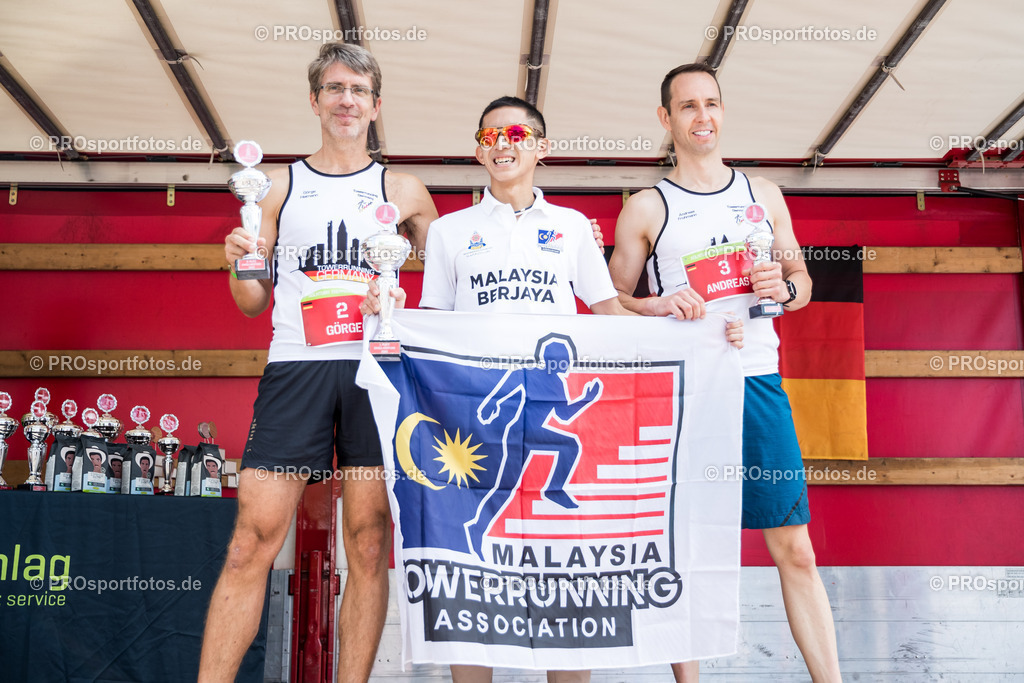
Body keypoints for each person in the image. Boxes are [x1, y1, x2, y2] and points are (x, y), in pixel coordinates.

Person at [361, 95, 743, 683]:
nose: (503, 144)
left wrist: (674, 319)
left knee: (566, 577)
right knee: (476, 586)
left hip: (550, 415)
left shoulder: (569, 229)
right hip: (475, 427)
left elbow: (607, 313)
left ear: (541, 146)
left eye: (516, 134)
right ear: (479, 149)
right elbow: (435, 331)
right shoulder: (448, 233)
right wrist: (387, 316)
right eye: (489, 136)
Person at [199, 42, 438, 683]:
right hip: (297, 370)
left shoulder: (406, 190)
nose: (346, 101)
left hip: (375, 372)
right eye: (334, 89)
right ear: (315, 100)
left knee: (366, 543)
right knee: (252, 541)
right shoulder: (276, 188)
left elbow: (441, 285)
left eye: (358, 91)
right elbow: (252, 302)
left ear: (376, 105)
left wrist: (398, 295)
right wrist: (238, 263)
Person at [607, 63, 841, 682]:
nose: (702, 116)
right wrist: (657, 306)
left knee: (795, 547)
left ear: (723, 110)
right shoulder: (646, 207)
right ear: (666, 119)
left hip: (758, 381)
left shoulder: (763, 194)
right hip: (681, 394)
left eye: (711, 103)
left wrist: (783, 291)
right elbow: (608, 303)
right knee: (682, 551)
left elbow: (803, 283)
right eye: (687, 106)